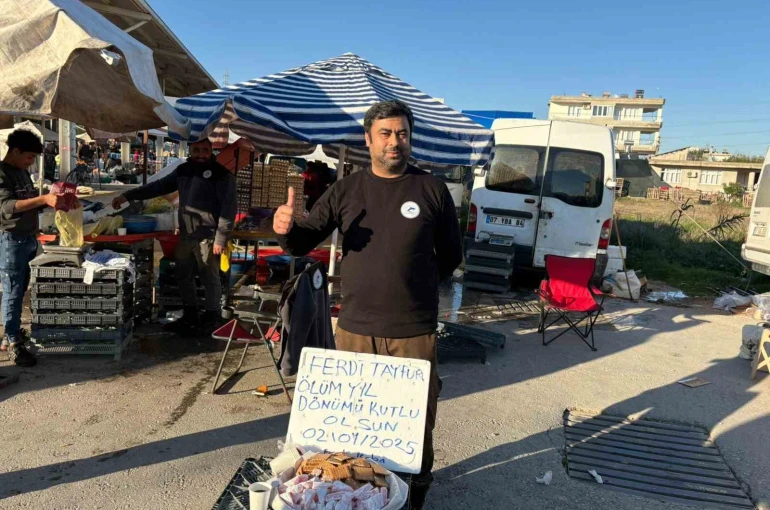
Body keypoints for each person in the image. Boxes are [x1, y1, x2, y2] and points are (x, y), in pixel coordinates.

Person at [273, 100, 462, 510]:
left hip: (413, 331)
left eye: (402, 133)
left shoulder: (431, 189)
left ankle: (414, 496)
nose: (395, 141)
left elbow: (451, 255)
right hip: (356, 329)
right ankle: (359, 496)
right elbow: (303, 241)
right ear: (368, 139)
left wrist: (414, 284)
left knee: (414, 424)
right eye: (386, 133)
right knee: (354, 426)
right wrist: (285, 229)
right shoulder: (346, 189)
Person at [112, 139, 236, 333]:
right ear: (190, 150)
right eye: (196, 150)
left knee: (209, 277)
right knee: (182, 275)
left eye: (205, 150)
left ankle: (212, 318)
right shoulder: (183, 170)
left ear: (211, 151)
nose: (201, 154)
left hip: (208, 236)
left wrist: (221, 238)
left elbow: (229, 210)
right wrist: (128, 195)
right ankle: (190, 315)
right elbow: (158, 186)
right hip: (186, 235)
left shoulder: (222, 175)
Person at [0, 130, 65, 366]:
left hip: (28, 238)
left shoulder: (22, 172)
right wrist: (43, 199)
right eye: (29, 157)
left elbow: (28, 204)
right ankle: (13, 342)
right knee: (13, 291)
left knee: (20, 289)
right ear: (15, 151)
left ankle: (11, 335)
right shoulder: (2, 173)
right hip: (10, 239)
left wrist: (55, 200)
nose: (31, 162)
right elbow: (7, 207)